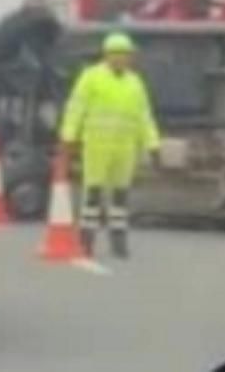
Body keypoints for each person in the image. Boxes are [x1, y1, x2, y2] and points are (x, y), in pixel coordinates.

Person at [58, 31, 161, 259]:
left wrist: (152, 145)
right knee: (92, 194)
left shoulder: (135, 82)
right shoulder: (91, 77)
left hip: (125, 148)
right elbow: (76, 108)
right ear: (106, 55)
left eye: (126, 55)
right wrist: (68, 137)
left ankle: (119, 240)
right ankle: (87, 239)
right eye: (117, 54)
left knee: (120, 196)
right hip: (97, 145)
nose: (122, 59)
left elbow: (144, 116)